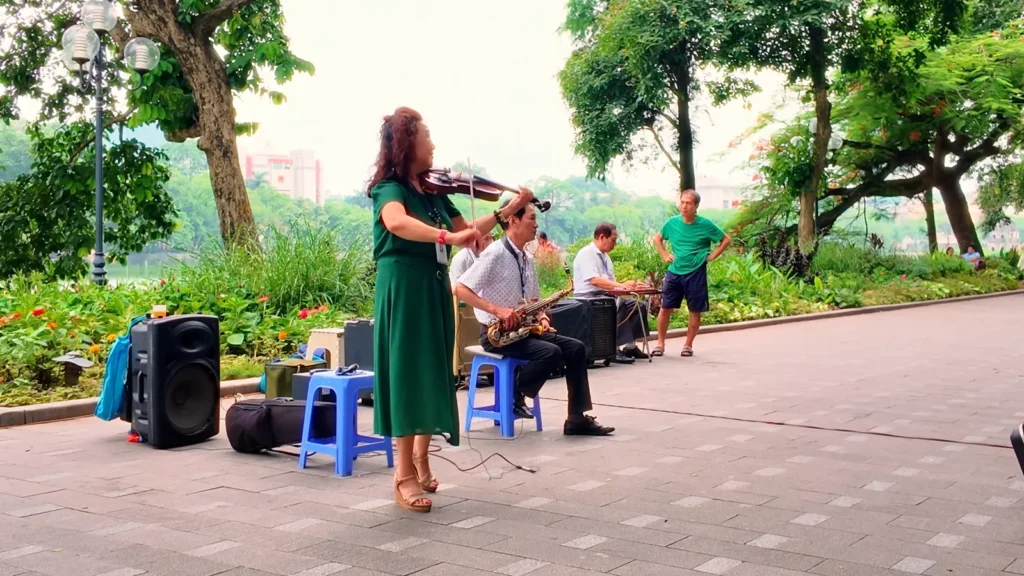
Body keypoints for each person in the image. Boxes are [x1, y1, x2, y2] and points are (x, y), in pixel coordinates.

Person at [367, 106, 537, 513]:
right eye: (427, 136)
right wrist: (446, 235)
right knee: (409, 376)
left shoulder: (434, 193)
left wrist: (504, 210)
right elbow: (396, 224)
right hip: (404, 285)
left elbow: (472, 235)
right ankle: (402, 475)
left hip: (431, 285)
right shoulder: (389, 189)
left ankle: (421, 460)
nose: (434, 144)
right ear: (409, 143)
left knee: (431, 373)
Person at [454, 200, 615, 436]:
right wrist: (497, 310)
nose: (536, 224)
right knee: (551, 352)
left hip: (523, 331)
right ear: (513, 220)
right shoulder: (494, 254)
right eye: (531, 218)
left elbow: (533, 299)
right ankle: (515, 393)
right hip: (497, 334)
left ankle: (575, 418)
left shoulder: (526, 257)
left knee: (576, 348)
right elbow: (460, 288)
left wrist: (542, 318)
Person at [653, 189, 731, 357]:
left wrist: (712, 256)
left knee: (694, 310)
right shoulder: (672, 223)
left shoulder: (705, 224)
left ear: (696, 206)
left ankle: (688, 345)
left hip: (696, 271)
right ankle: (660, 343)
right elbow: (657, 238)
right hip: (674, 271)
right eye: (682, 202)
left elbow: (726, 240)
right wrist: (665, 255)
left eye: (689, 203)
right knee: (665, 308)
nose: (684, 206)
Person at [572, 222, 650, 363]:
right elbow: (594, 280)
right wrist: (621, 286)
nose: (614, 244)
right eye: (613, 240)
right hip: (588, 296)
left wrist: (629, 286)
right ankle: (614, 349)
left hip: (604, 294)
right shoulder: (586, 253)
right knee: (618, 305)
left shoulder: (606, 257)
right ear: (602, 237)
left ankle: (631, 346)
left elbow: (610, 283)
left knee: (638, 305)